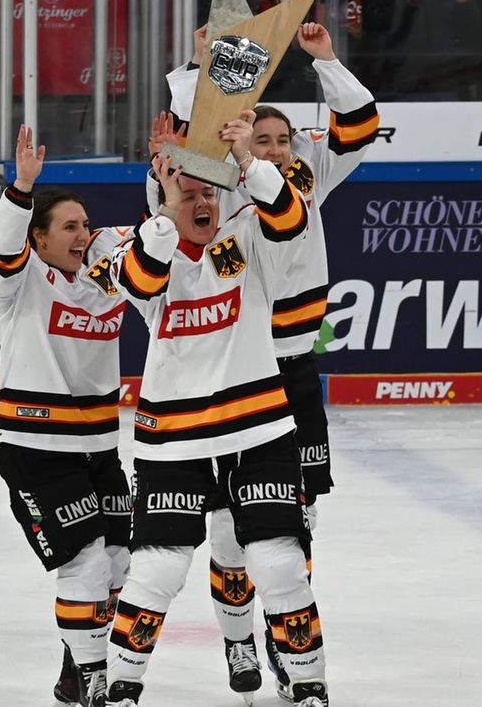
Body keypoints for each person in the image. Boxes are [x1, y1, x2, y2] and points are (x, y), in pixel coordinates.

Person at [155, 22, 377, 701]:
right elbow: (189, 148)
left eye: (284, 140)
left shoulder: (305, 179)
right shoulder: (219, 189)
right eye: (262, 139)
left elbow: (360, 125)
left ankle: (288, 642)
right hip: (234, 376)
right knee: (228, 530)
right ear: (241, 140)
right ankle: (238, 640)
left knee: (295, 526)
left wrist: (326, 60)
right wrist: (203, 70)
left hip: (295, 374)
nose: (275, 149)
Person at [105, 129, 323, 706]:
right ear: (165, 201)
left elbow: (291, 217)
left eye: (210, 193)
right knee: (157, 570)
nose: (202, 203)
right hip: (173, 440)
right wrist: (166, 199)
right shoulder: (144, 247)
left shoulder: (246, 234)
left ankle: (309, 684)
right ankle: (122, 688)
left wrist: (246, 157)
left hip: (258, 428)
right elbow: (140, 279)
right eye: (189, 195)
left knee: (278, 564)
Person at [0, 127, 133, 707]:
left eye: (85, 225)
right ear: (37, 238)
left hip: (100, 449)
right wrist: (21, 189)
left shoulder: (105, 276)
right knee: (85, 562)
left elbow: (164, 231)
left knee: (118, 563)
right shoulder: (16, 283)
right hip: (36, 449)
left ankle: (73, 665)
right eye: (68, 227)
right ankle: (93, 682)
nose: (82, 234)